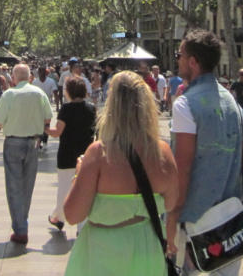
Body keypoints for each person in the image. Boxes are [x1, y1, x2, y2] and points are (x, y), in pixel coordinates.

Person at [63, 70, 177, 275]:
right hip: (147, 249)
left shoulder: (99, 153)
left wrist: (79, 174)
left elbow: (72, 214)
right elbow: (171, 203)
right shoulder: (163, 152)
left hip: (103, 252)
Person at [169, 29, 243, 276]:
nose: (177, 59)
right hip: (231, 217)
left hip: (194, 219)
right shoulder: (231, 102)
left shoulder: (185, 104)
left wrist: (173, 215)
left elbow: (183, 167)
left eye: (179, 55)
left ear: (193, 61)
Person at [0, 63, 53, 245]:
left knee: (14, 186)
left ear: (14, 77)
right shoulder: (39, 93)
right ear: (30, 77)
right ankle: (21, 223)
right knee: (27, 185)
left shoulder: (9, 94)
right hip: (33, 142)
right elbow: (48, 118)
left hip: (13, 142)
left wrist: (13, 122)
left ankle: (20, 228)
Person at [45, 75, 96, 231]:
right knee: (84, 191)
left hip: (67, 155)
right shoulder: (91, 108)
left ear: (69, 92)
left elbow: (57, 132)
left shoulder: (66, 109)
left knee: (64, 189)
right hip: (86, 156)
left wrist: (44, 128)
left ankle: (59, 217)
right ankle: (82, 225)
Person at [34, 67, 59, 149]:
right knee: (38, 124)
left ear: (46, 72)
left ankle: (44, 142)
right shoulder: (35, 82)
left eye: (43, 72)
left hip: (47, 105)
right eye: (40, 72)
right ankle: (38, 141)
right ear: (38, 73)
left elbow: (55, 93)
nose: (41, 73)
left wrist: (57, 106)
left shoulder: (51, 81)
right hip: (37, 106)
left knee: (46, 124)